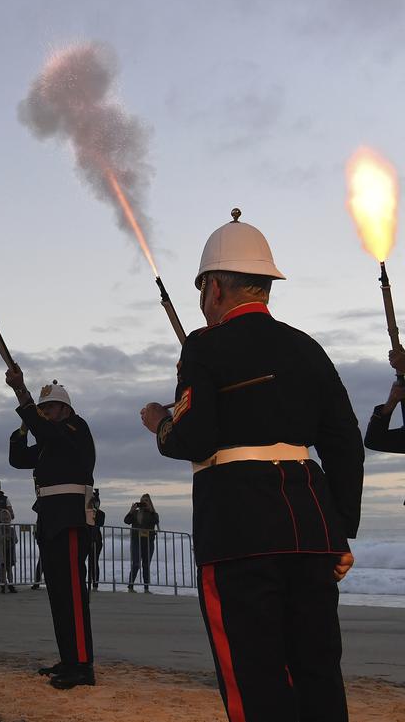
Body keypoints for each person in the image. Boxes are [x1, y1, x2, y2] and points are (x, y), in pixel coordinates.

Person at [139, 212, 363, 721]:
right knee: (317, 672)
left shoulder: (203, 346)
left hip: (240, 530)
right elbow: (346, 444)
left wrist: (161, 422)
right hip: (312, 531)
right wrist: (340, 533)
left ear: (215, 287)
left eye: (201, 289)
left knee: (254, 678)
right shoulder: (308, 347)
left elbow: (194, 438)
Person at [7, 373, 96, 690]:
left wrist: (23, 397)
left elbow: (48, 432)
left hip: (70, 517)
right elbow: (18, 458)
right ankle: (69, 658)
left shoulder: (76, 428)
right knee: (59, 594)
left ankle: (83, 665)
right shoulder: (48, 441)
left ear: (66, 410)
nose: (44, 413)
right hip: (50, 518)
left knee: (72, 594)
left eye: (50, 408)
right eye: (42, 409)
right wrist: (22, 427)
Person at [124, 494, 159, 593]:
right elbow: (126, 521)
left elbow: (156, 520)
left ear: (150, 502)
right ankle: (130, 586)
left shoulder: (153, 514)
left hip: (148, 542)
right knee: (136, 563)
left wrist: (151, 510)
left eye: (146, 501)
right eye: (142, 501)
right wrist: (131, 511)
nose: (144, 503)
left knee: (146, 564)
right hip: (136, 541)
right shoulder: (135, 513)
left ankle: (146, 588)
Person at [88, 490, 105, 592]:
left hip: (96, 539)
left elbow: (99, 523)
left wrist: (94, 511)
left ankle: (95, 583)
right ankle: (86, 582)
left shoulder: (101, 514)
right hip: (87, 538)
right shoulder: (86, 512)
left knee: (94, 561)